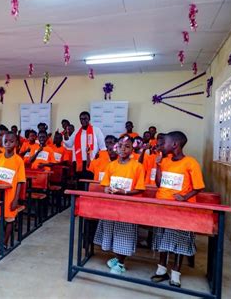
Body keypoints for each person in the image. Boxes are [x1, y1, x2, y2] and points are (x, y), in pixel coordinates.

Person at [151, 131, 205, 288]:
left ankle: (176, 273)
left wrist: (186, 197)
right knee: (161, 237)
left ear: (175, 144)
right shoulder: (165, 161)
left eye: (165, 142)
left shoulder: (190, 162)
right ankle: (161, 270)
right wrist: (158, 164)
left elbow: (199, 187)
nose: (161, 145)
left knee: (179, 240)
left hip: (181, 210)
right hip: (163, 207)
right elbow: (159, 184)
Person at [94, 136, 145, 275]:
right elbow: (105, 184)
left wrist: (125, 193)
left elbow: (140, 188)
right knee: (113, 232)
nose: (123, 149)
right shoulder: (111, 165)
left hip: (128, 207)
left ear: (132, 149)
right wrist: (107, 189)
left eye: (127, 146)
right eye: (121, 145)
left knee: (124, 234)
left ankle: (121, 263)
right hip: (112, 206)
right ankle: (117, 258)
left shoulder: (137, 166)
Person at [0, 131, 25, 255]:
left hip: (10, 196)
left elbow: (20, 181)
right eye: (5, 141)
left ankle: (5, 242)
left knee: (9, 219)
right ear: (2, 143)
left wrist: (16, 199)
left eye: (11, 141)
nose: (8, 143)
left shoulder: (18, 160)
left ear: (16, 143)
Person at [63, 111, 106, 185]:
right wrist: (66, 137)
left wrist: (98, 155)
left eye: (85, 118)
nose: (83, 121)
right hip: (78, 162)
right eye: (81, 119)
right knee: (80, 183)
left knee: (90, 182)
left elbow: (103, 147)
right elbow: (69, 144)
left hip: (91, 161)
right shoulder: (76, 132)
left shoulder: (96, 130)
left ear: (89, 119)